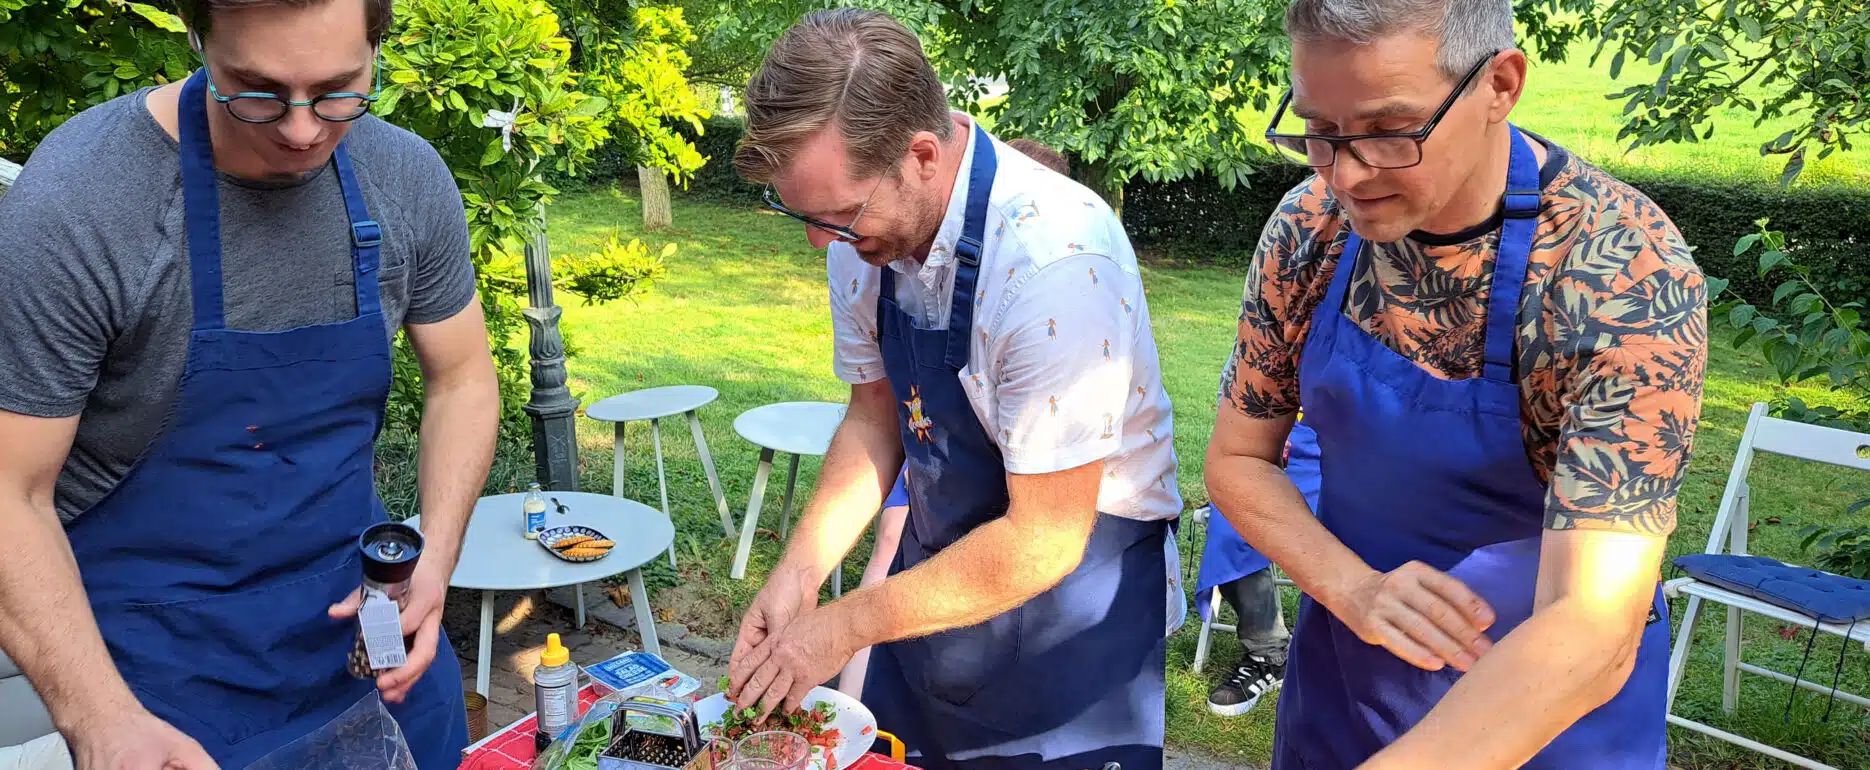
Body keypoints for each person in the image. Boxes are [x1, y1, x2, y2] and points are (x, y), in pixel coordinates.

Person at [1203, 0, 1709, 767]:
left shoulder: (1617, 271)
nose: (1347, 173)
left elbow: (1593, 623)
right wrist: (1353, 589)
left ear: (1499, 85)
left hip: (1545, 722)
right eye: (1319, 131)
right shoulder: (1310, 228)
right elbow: (1239, 459)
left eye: (1389, 130)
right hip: (1344, 697)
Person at [0, 0, 499, 766]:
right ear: (196, 36)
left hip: (366, 629)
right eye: (257, 91)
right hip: (161, 670)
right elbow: (9, 491)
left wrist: (432, 561)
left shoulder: (402, 177)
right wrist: (98, 718)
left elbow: (461, 378)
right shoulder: (82, 203)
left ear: (377, 45)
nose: (302, 130)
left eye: (338, 90)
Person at [724, 9, 1184, 769]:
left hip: (1075, 608)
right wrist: (799, 576)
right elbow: (874, 417)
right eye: (803, 213)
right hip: (934, 591)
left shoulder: (1054, 263)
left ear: (922, 156)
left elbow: (1044, 539)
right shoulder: (862, 241)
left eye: (838, 213)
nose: (820, 239)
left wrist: (843, 626)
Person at [1194, 414, 1321, 717]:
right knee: (1229, 529)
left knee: (1359, 530)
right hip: (1267, 452)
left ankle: (1342, 655)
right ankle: (1269, 654)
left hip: (1345, 459)